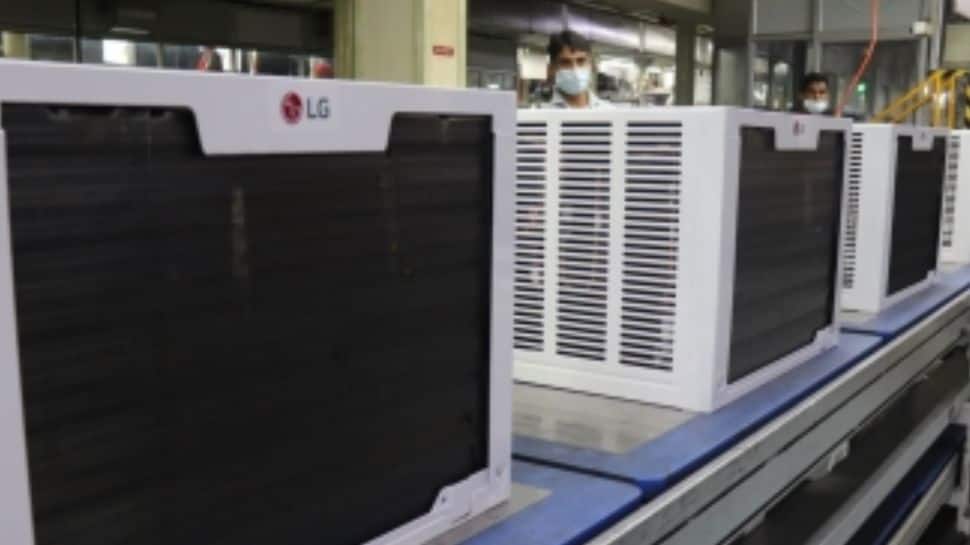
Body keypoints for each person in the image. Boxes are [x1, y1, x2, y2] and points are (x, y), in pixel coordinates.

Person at [544, 30, 610, 109]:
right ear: (552, 68)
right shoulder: (539, 113)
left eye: (581, 60)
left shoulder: (609, 111)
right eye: (565, 62)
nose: (575, 69)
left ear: (591, 64)